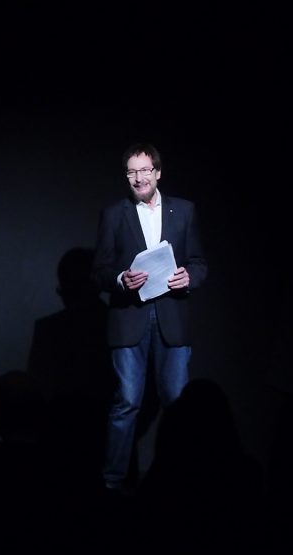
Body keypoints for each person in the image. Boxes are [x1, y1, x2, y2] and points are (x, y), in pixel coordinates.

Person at [91, 143, 208, 492]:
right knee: (127, 401)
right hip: (130, 319)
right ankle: (113, 482)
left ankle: (180, 478)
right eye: (132, 171)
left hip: (172, 319)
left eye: (144, 170)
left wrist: (190, 276)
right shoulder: (114, 214)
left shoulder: (184, 211)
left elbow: (199, 261)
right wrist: (120, 279)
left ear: (157, 173)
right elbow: (99, 269)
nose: (138, 177)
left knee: (177, 402)